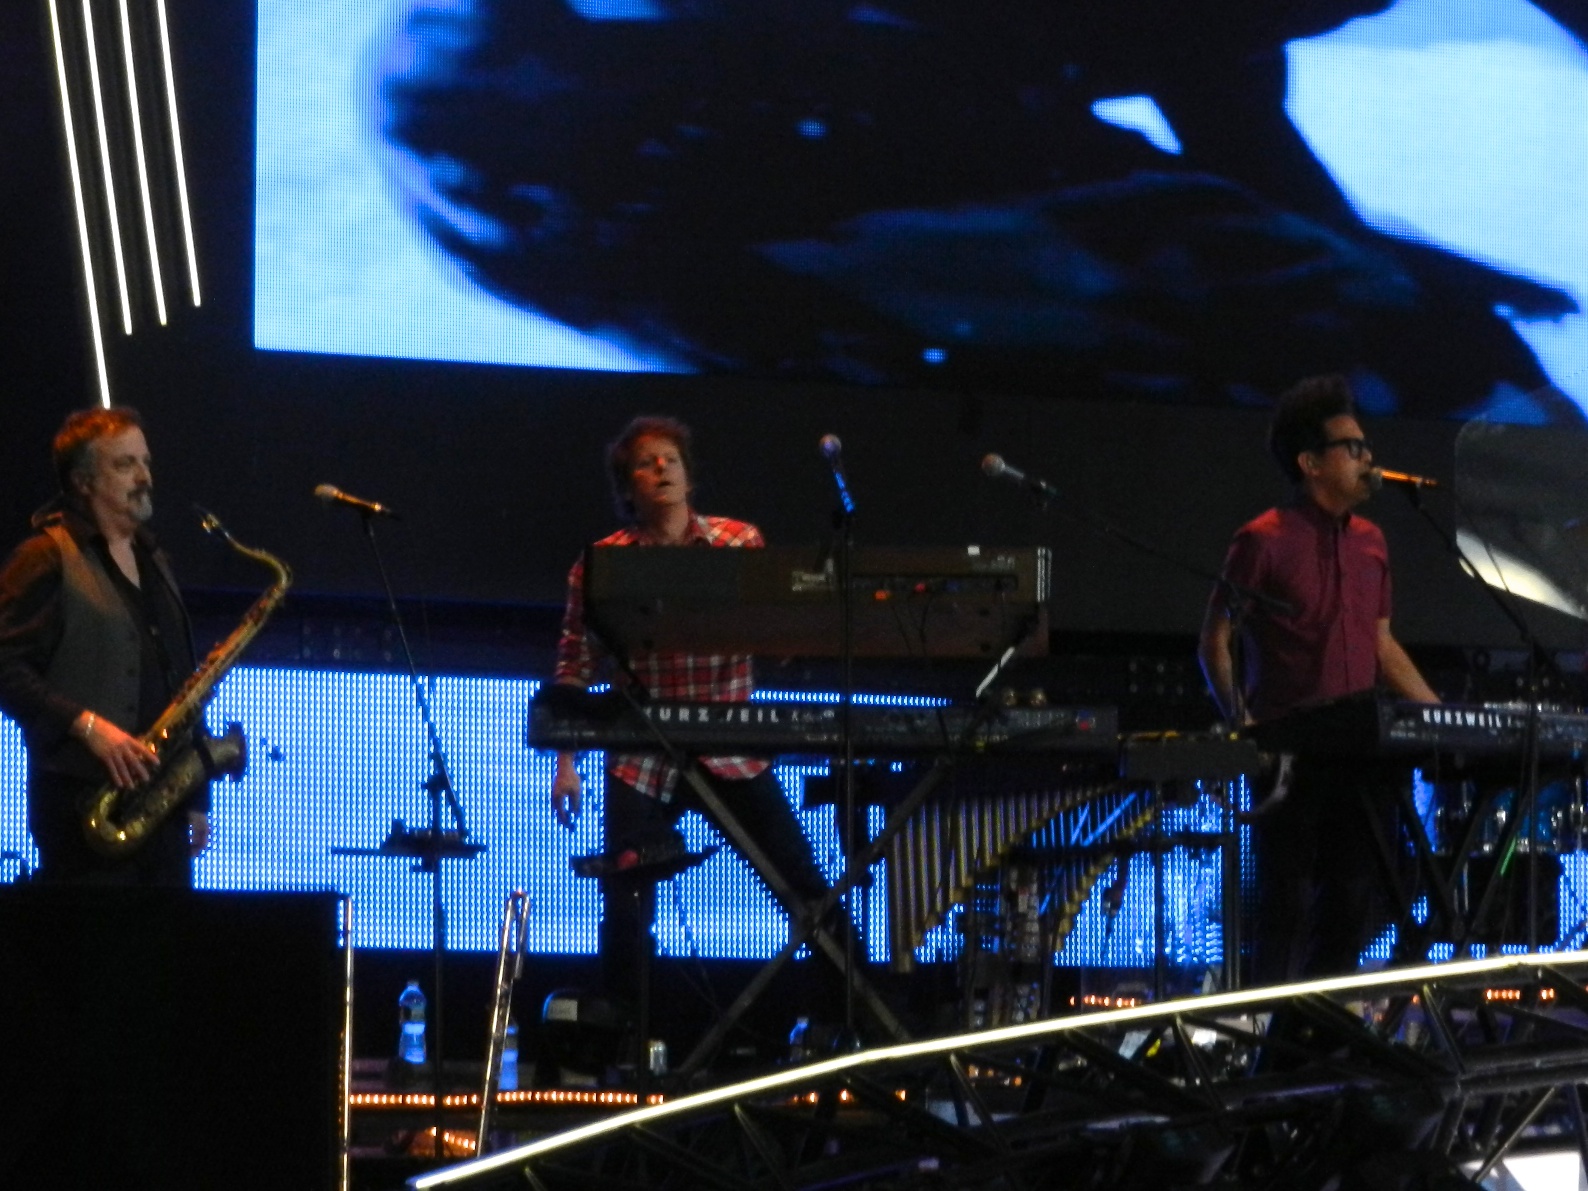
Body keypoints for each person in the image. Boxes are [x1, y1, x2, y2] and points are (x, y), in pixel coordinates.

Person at [549, 416, 839, 1011]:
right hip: (642, 751)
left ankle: (860, 1014)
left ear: (687, 475)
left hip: (729, 744)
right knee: (626, 904)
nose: (662, 469)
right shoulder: (601, 561)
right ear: (628, 487)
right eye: (646, 462)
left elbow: (776, 629)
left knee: (802, 882)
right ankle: (625, 1036)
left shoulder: (738, 541)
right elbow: (574, 662)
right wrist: (566, 761)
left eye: (671, 460)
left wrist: (793, 628)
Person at [1198, 375, 1439, 983]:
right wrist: (1243, 724)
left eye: (1366, 446)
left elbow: (1381, 643)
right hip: (1290, 752)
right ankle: (1271, 1031)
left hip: (1361, 748)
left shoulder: (1372, 542)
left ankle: (1316, 1033)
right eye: (1352, 447)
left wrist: (1440, 715)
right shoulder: (1261, 540)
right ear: (1310, 463)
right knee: (1286, 904)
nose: (1367, 457)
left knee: (1354, 900)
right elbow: (1215, 639)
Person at [0, 407, 210, 886]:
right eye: (125, 464)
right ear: (83, 482)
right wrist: (88, 726)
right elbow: (6, 667)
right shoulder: (44, 555)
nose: (144, 477)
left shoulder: (155, 559)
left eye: (145, 462)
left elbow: (181, 683)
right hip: (82, 808)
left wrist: (195, 795)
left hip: (161, 811)